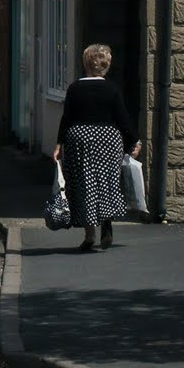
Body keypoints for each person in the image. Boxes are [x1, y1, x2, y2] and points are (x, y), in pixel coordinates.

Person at [53, 43, 142, 251]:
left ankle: (89, 235)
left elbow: (67, 118)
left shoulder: (75, 88)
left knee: (84, 184)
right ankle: (107, 225)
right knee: (106, 182)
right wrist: (134, 141)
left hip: (79, 139)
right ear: (106, 66)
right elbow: (123, 120)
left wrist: (59, 143)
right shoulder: (112, 89)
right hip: (108, 140)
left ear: (85, 64)